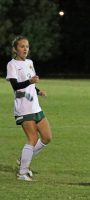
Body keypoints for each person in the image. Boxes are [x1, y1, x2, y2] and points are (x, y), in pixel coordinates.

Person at [6, 36, 53, 181]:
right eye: (21, 46)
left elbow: (30, 83)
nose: (25, 49)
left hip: (35, 106)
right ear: (15, 49)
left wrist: (38, 90)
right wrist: (30, 81)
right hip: (24, 108)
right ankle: (22, 173)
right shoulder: (12, 65)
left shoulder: (30, 62)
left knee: (47, 137)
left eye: (27, 46)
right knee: (32, 139)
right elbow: (16, 86)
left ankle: (23, 159)